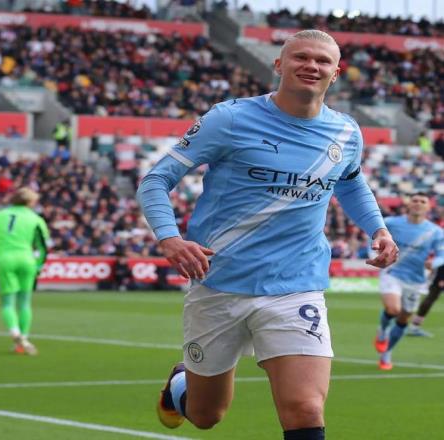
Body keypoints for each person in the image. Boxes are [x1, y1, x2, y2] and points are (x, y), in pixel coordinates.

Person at [137, 30, 398, 440]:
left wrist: (378, 228)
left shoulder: (347, 132)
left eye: (323, 61)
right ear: (279, 65)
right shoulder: (230, 118)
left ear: (335, 73)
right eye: (301, 57)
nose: (311, 66)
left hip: (296, 285)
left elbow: (350, 182)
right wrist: (169, 238)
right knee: (206, 415)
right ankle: (181, 382)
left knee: (305, 409)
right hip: (219, 281)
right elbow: (155, 180)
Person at [374, 193, 443, 369]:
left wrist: (434, 263)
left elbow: (442, 255)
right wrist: (374, 252)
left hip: (416, 280)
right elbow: (374, 236)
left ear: (428, 207)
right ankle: (383, 331)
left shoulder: (435, 232)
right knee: (393, 309)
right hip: (392, 272)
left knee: (404, 318)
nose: (418, 203)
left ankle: (387, 352)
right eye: (415, 200)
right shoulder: (391, 223)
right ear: (408, 204)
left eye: (423, 201)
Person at [0, 187, 50, 355]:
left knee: (7, 303)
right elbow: (43, 247)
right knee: (24, 302)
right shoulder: (36, 219)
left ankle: (15, 332)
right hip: (26, 259)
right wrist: (39, 266)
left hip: (5, 259)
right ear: (30, 202)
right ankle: (23, 339)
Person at [406, 263, 444, 337]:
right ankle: (413, 326)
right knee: (429, 300)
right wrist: (442, 278)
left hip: (434, 276)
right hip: (435, 278)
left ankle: (413, 326)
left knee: (429, 300)